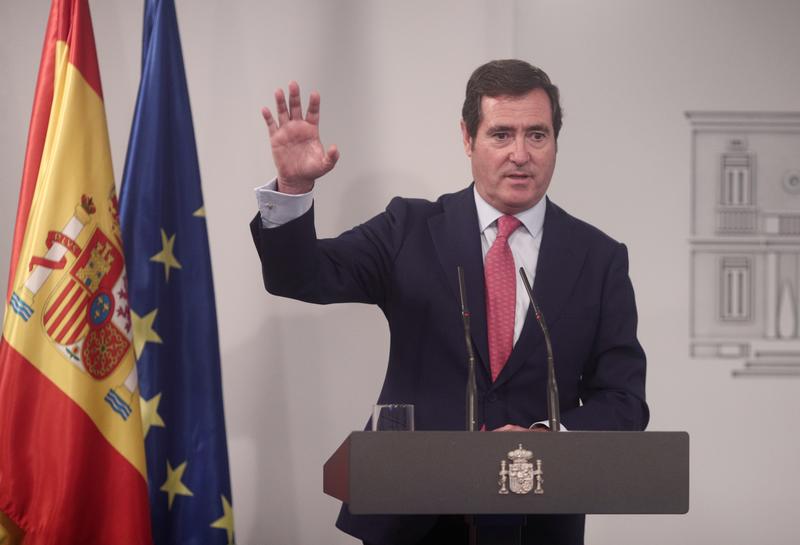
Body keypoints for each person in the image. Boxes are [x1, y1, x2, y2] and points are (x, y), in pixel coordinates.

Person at [250, 59, 649, 545]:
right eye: (501, 134)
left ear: (555, 142)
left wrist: (547, 439)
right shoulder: (408, 229)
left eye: (537, 135)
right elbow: (301, 277)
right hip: (409, 515)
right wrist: (293, 190)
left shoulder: (599, 258)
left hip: (538, 518)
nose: (520, 154)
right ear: (467, 137)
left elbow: (624, 401)